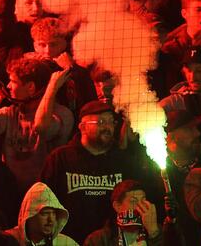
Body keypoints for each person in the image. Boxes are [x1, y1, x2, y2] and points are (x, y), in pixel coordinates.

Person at [40, 100, 160, 243]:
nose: (107, 127)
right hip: (68, 241)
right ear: (82, 127)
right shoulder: (60, 159)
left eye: (111, 122)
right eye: (101, 122)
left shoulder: (125, 161)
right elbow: (43, 203)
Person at [0, 59, 74, 190]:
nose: (9, 86)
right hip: (12, 194)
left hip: (45, 194)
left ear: (31, 87)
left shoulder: (62, 114)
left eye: (14, 81)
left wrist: (52, 88)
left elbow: (41, 127)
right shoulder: (11, 112)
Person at [162, 109, 201, 246]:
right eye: (189, 129)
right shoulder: (156, 174)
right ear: (171, 137)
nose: (197, 133)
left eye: (196, 128)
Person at [83, 179, 164, 246]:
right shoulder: (98, 239)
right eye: (133, 201)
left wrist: (153, 233)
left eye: (143, 200)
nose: (140, 206)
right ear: (117, 206)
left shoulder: (158, 231)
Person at [4, 182, 78, 246]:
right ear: (29, 215)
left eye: (54, 214)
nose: (51, 220)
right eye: (45, 214)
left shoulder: (67, 243)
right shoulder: (6, 240)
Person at [0, 0, 43, 64]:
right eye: (28, 3)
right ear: (15, 7)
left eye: (39, 3)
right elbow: (1, 16)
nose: (36, 8)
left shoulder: (50, 35)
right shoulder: (7, 35)